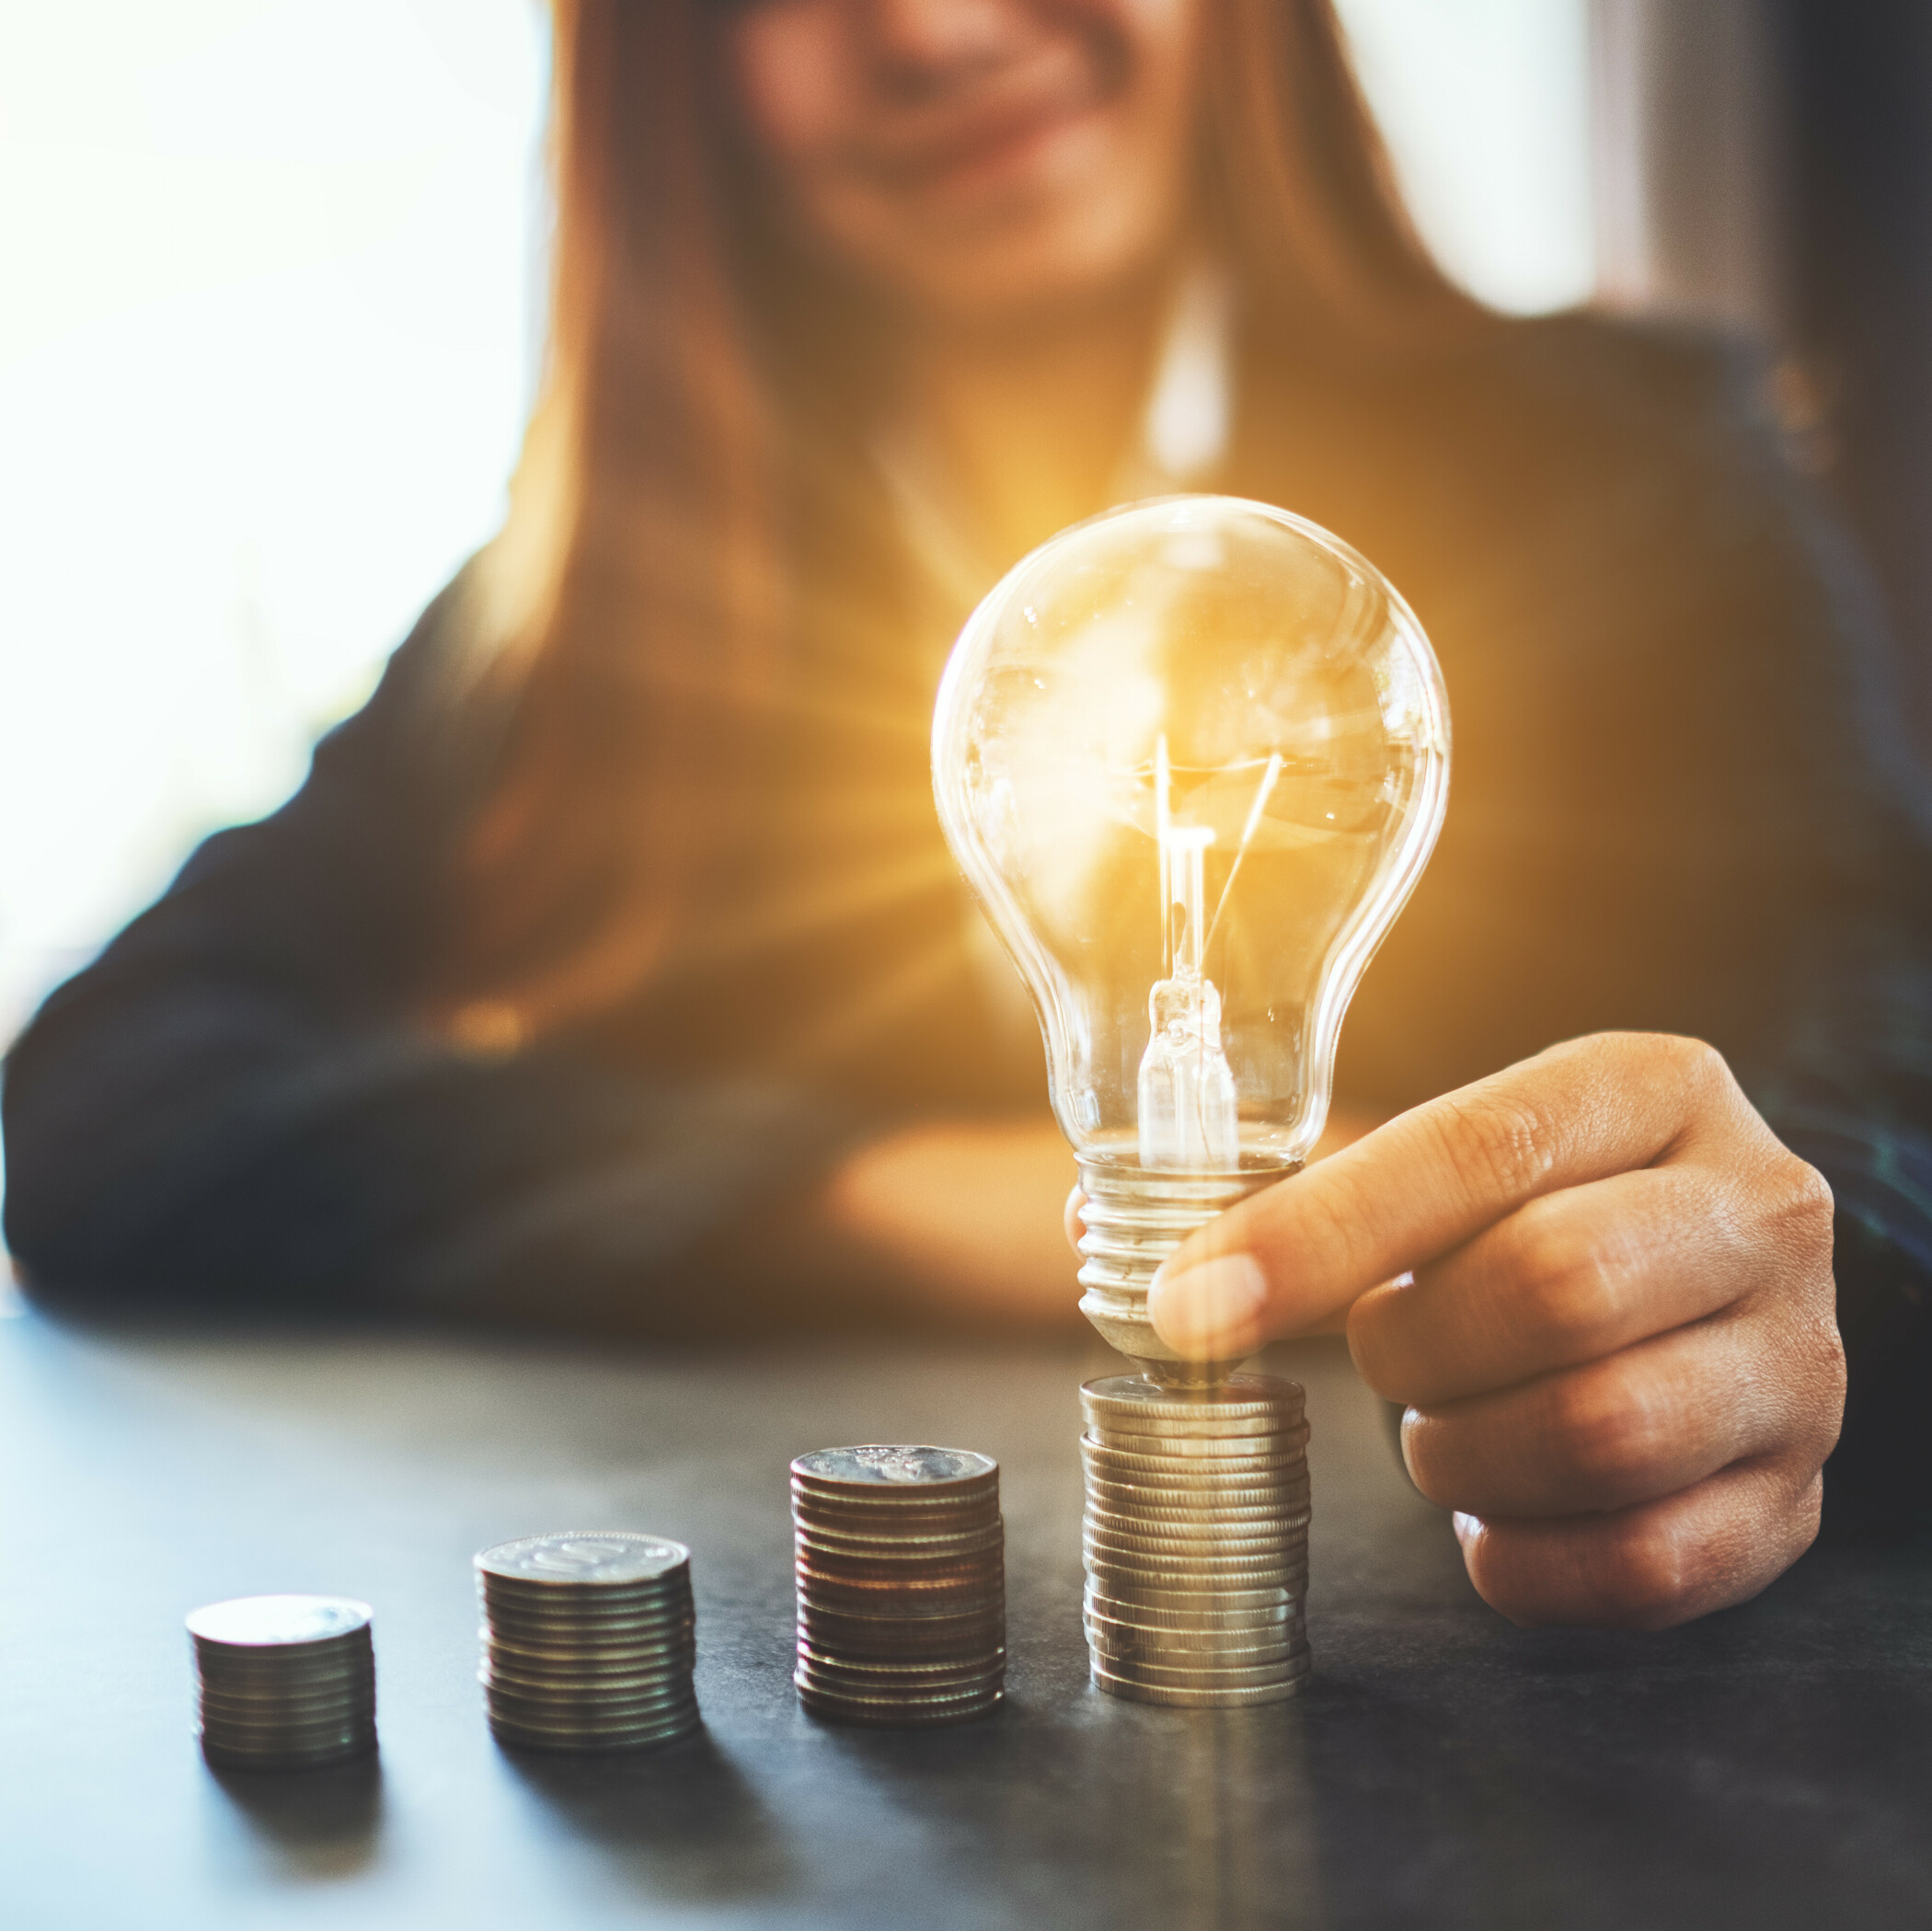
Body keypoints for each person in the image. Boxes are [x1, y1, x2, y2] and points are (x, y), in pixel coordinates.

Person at [4, 0, 1928, 1627]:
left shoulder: (1643, 486)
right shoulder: (598, 621)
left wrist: (1801, 1270)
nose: (931, 28)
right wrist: (903, 1199)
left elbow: (1893, 1084)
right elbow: (99, 1089)